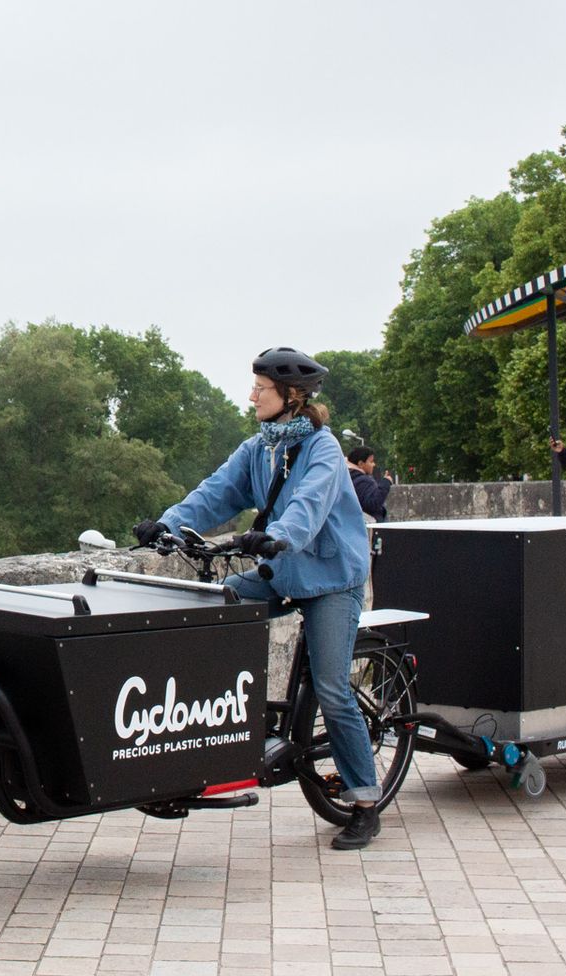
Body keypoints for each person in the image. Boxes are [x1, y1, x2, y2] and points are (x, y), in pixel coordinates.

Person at [131, 347, 381, 851]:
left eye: (260, 390)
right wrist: (167, 522)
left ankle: (364, 801)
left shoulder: (324, 450)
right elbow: (215, 493)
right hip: (282, 571)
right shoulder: (259, 448)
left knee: (332, 688)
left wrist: (278, 534)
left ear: (291, 396)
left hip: (332, 577)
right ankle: (212, 741)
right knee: (212, 612)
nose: (251, 397)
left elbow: (310, 504)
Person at [345, 446, 393, 523]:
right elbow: (373, 503)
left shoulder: (348, 477)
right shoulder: (363, 481)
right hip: (369, 525)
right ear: (361, 464)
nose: (373, 464)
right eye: (371, 462)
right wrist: (386, 483)